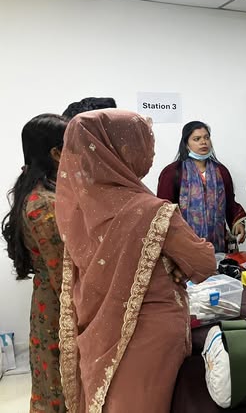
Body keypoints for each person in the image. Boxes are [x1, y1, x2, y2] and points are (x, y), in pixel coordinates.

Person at [55, 109, 217, 413]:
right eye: (143, 143)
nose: (150, 153)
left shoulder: (78, 210)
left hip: (97, 326)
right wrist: (174, 263)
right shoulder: (149, 210)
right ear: (123, 151)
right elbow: (204, 263)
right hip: (148, 332)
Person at [2, 114, 68, 413]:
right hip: (57, 305)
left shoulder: (44, 190)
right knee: (57, 382)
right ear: (56, 153)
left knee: (52, 377)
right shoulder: (43, 204)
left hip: (50, 298)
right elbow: (62, 273)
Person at [157, 121, 246, 252]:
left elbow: (229, 203)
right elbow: (164, 209)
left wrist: (237, 222)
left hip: (217, 245)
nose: (203, 142)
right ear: (186, 144)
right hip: (183, 246)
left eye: (206, 137)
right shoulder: (172, 172)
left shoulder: (221, 171)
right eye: (197, 139)